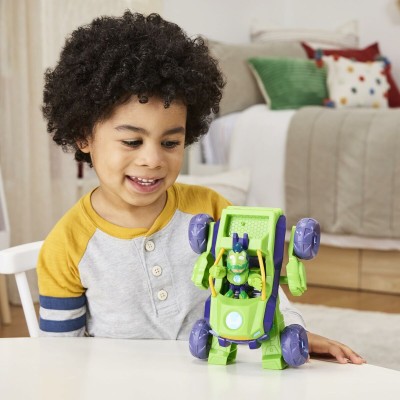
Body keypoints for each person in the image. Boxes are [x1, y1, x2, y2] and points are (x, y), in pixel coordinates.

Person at [38, 11, 365, 365]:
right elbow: (60, 358)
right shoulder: (65, 246)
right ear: (84, 136)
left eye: (170, 143)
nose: (153, 160)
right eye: (132, 141)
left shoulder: (212, 210)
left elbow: (264, 284)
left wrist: (293, 329)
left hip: (214, 379)